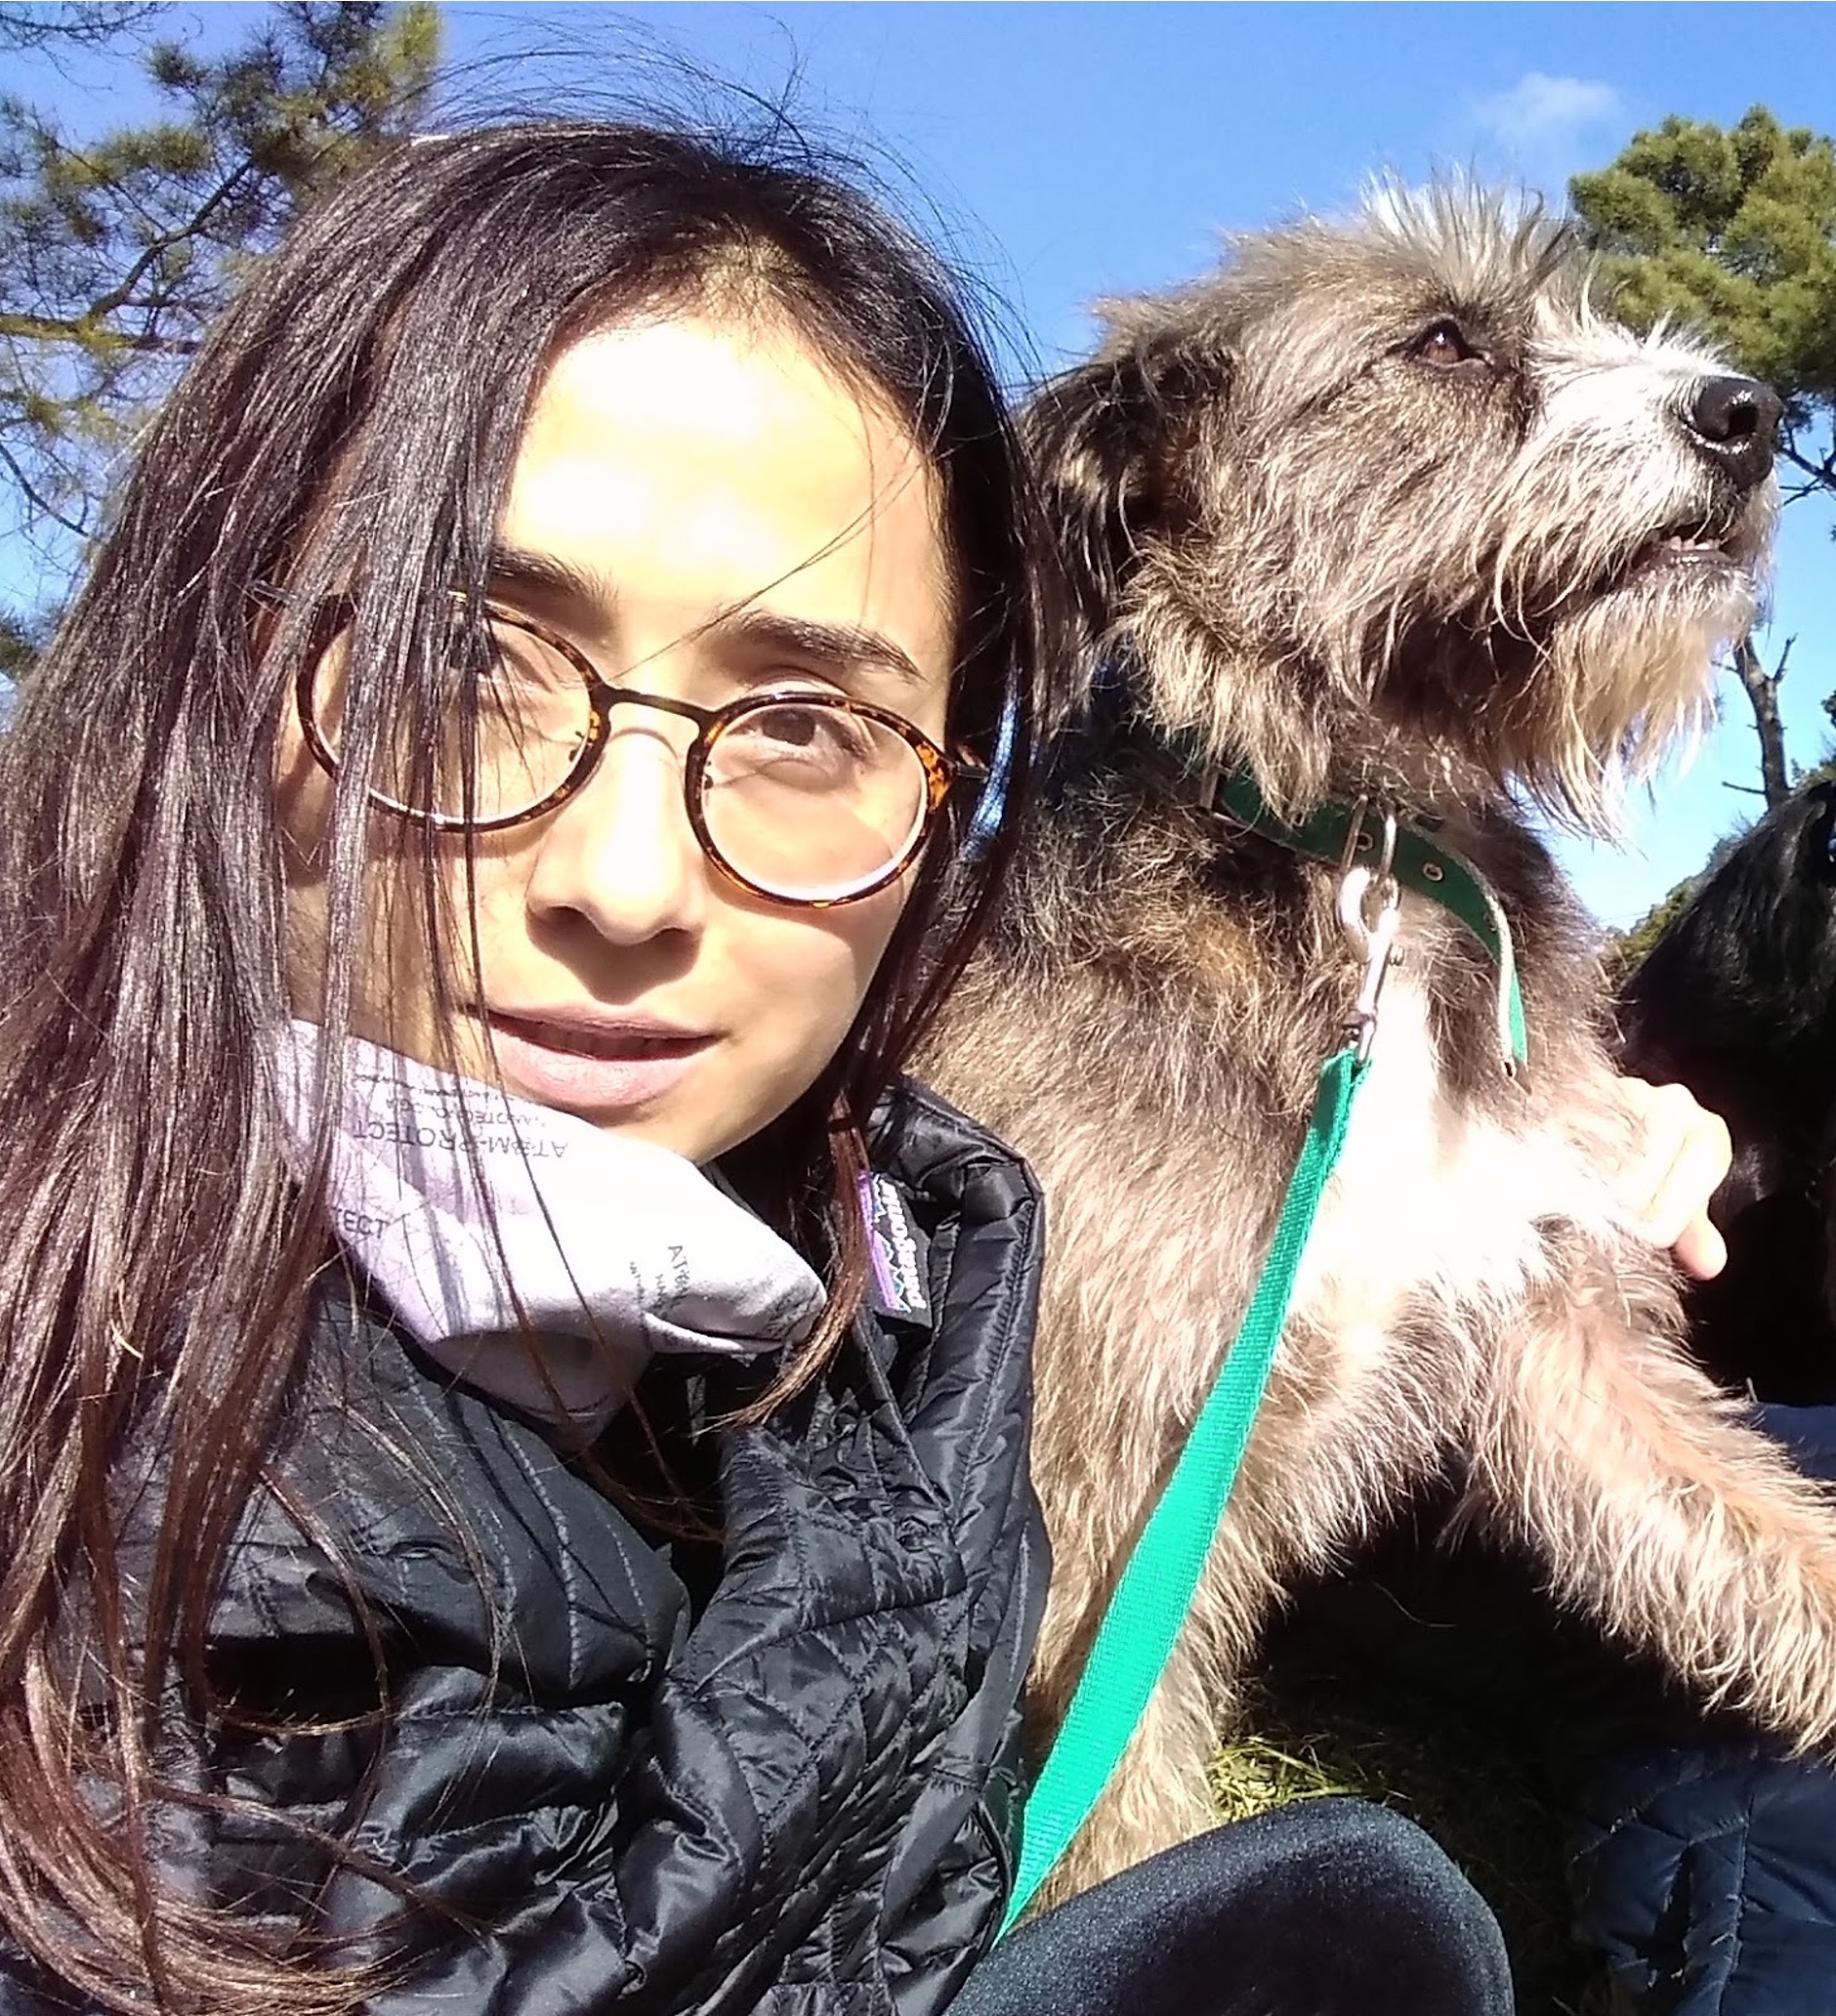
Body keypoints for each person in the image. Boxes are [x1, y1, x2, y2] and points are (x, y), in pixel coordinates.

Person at [0, 116, 1515, 2016]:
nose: (626, 881)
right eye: (463, 666)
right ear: (210, 665)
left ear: (947, 779)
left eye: (804, 720)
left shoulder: (921, 1236)